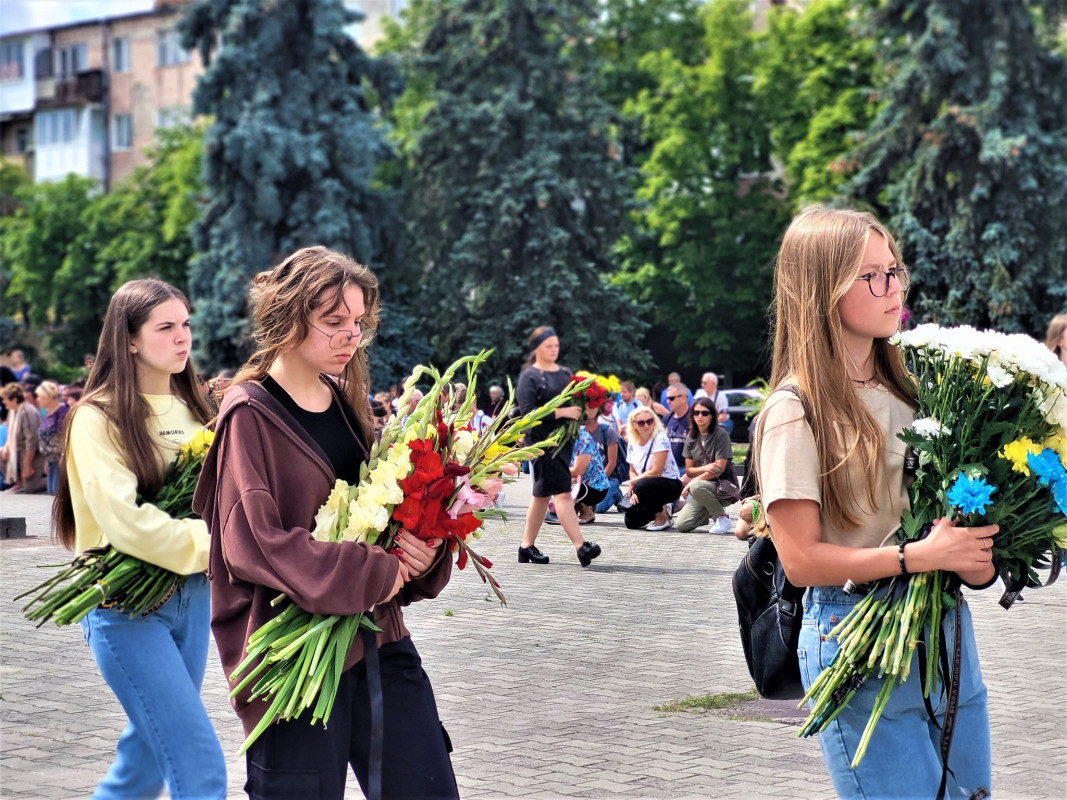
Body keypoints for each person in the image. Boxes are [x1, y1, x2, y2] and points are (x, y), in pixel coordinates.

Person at [193, 246, 458, 800]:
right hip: (296, 661)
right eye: (334, 322)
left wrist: (421, 553)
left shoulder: (342, 401)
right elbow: (255, 545)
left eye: (357, 323)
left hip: (379, 641)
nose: (350, 336)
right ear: (289, 317)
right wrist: (371, 569)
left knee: (427, 784)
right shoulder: (250, 412)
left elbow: (378, 515)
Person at [754, 206, 996, 799]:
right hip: (851, 633)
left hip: (940, 626)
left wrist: (975, 557)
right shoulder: (795, 409)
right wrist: (921, 556)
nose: (893, 289)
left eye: (895, 271)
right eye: (872, 276)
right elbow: (803, 561)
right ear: (822, 288)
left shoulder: (917, 393)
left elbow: (947, 527)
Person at [51, 279, 226, 799]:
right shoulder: (97, 417)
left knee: (144, 765)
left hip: (193, 598)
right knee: (198, 764)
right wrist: (218, 545)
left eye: (186, 324)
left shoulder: (199, 409)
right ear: (129, 339)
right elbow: (124, 522)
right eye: (165, 327)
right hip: (124, 604)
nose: (182, 338)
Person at [516, 326, 602, 567]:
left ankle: (526, 547)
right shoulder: (529, 376)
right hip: (542, 444)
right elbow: (527, 414)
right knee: (562, 493)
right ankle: (581, 547)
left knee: (541, 496)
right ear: (536, 349)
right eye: (548, 346)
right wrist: (561, 411)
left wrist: (589, 405)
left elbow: (577, 400)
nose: (554, 349)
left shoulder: (565, 372)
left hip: (564, 442)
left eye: (556, 345)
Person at [675, 396, 735, 534]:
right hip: (701, 490)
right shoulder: (691, 437)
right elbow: (689, 470)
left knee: (696, 486)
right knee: (682, 525)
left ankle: (723, 517)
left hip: (721, 487)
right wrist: (705, 468)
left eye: (704, 413)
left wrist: (694, 481)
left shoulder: (721, 434)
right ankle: (711, 509)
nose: (700, 416)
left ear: (712, 416)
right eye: (696, 413)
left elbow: (719, 468)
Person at [622, 408, 682, 530]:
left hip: (669, 483)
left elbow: (656, 471)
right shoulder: (632, 442)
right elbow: (632, 470)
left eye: (649, 421)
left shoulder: (660, 438)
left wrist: (635, 484)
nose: (646, 425)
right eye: (641, 422)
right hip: (644, 485)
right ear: (634, 425)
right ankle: (665, 507)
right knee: (631, 522)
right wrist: (634, 490)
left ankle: (662, 517)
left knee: (642, 485)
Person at [1, 382, 45, 493]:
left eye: (5, 399)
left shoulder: (27, 411)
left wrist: (27, 464)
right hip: (18, 451)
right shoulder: (12, 411)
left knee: (30, 489)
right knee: (1, 452)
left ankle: (52, 480)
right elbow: (11, 434)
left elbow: (32, 440)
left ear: (14, 399)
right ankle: (18, 482)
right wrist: (6, 447)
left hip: (33, 454)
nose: (3, 402)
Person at [571, 407, 612, 524]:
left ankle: (586, 508)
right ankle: (573, 507)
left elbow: (578, 471)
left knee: (564, 485)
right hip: (576, 480)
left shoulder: (583, 439)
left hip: (595, 487)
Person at [35, 380, 69, 495]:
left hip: (59, 459)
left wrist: (63, 456)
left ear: (47, 398)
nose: (37, 399)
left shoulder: (62, 412)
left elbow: (64, 434)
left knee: (56, 493)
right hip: (50, 459)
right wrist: (45, 459)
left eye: (39, 396)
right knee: (50, 493)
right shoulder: (47, 413)